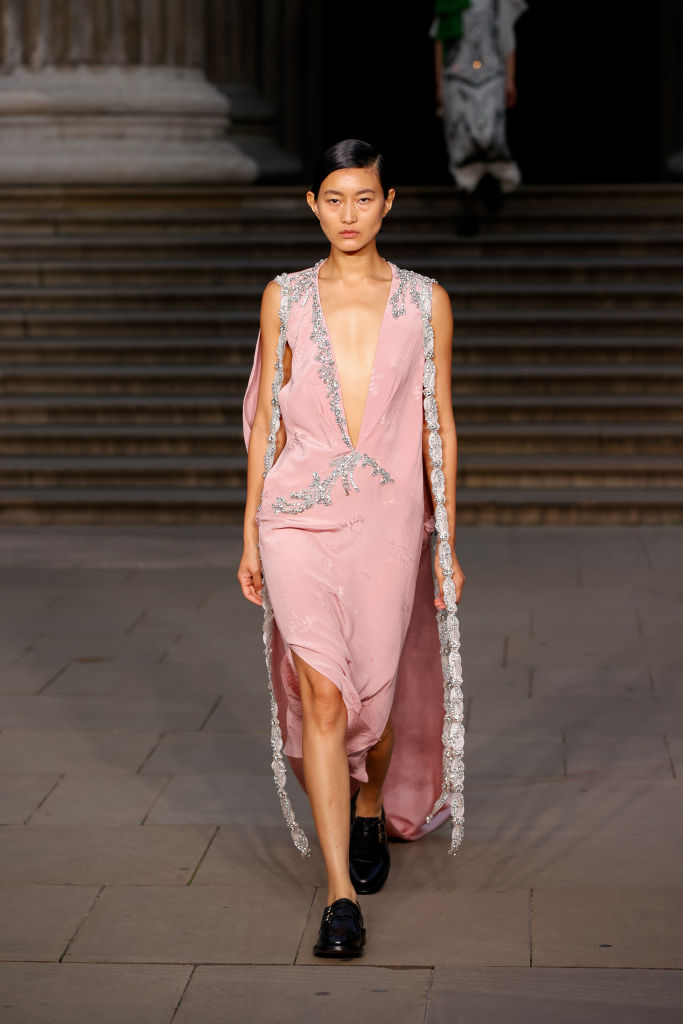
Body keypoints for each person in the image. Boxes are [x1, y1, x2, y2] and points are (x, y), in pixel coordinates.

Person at [238, 139, 466, 959]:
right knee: (325, 698)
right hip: (295, 516)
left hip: (387, 520)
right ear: (311, 204)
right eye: (332, 198)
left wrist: (447, 540)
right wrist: (249, 531)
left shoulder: (423, 300)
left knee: (376, 694)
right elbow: (265, 422)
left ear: (388, 202)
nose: (347, 214)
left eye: (362, 199)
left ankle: (369, 808)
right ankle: (339, 896)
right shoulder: (284, 297)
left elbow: (437, 424)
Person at [432, 0, 527, 234]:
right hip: (457, 78)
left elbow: (507, 40)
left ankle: (492, 183)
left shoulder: (497, 3)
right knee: (461, 139)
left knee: (488, 134)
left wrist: (510, 79)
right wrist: (440, 84)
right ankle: (469, 207)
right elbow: (440, 41)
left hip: (491, 77)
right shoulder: (450, 3)